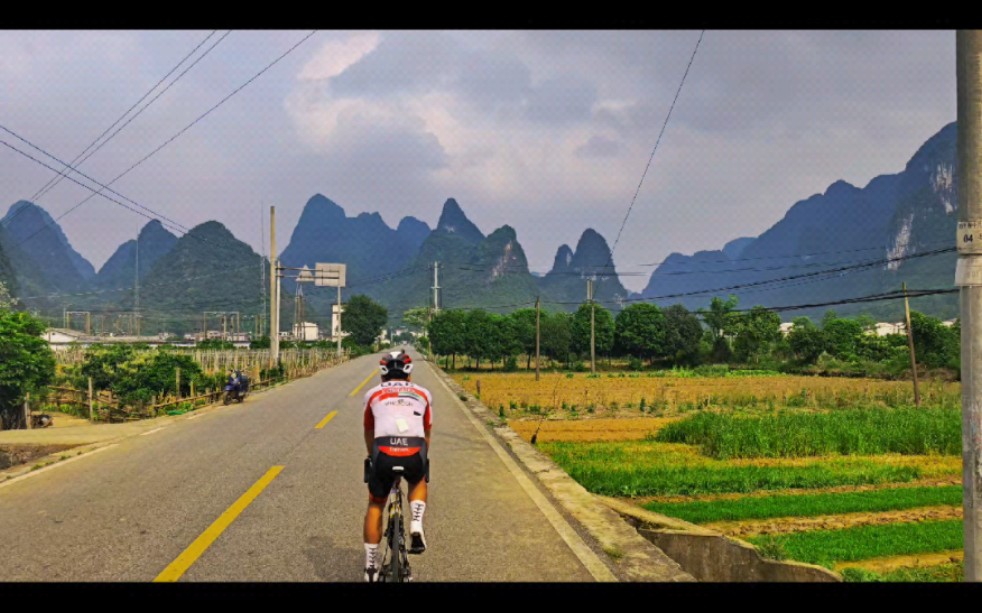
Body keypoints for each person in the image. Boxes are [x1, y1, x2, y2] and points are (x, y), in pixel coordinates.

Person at [362, 349, 432, 582]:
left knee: (375, 503)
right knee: (418, 478)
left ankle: (371, 568)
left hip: (383, 452)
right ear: (409, 374)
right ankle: (415, 523)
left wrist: (372, 458)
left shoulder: (372, 394)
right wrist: (422, 458)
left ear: (382, 375)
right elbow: (426, 431)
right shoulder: (423, 393)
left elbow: (370, 431)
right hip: (414, 451)